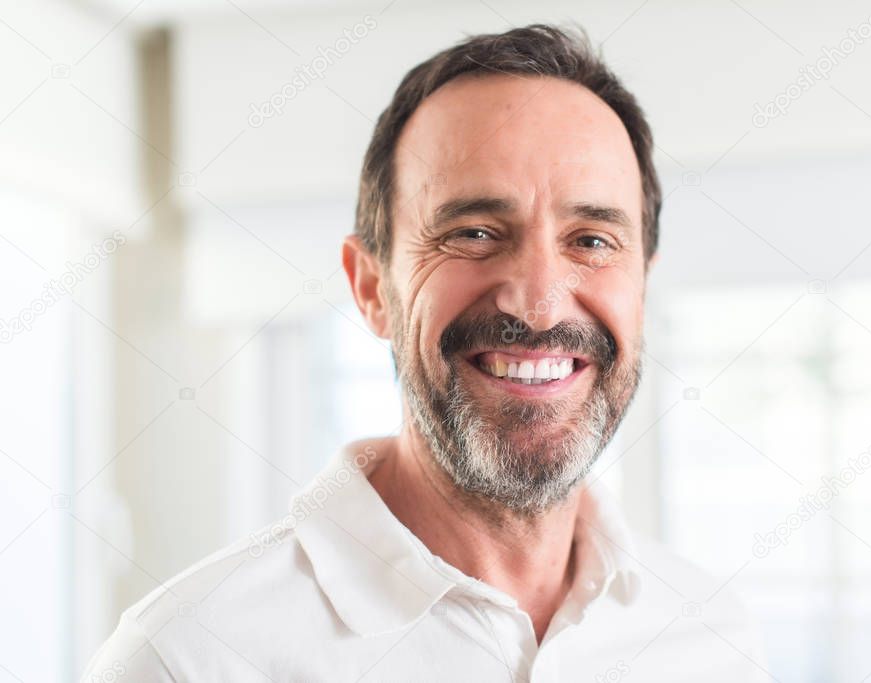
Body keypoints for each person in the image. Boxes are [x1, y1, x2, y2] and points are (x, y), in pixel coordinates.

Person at [83, 24, 765, 681]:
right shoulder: (186, 659)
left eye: (591, 240)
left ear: (642, 283)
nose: (538, 304)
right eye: (473, 232)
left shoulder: (711, 637)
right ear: (373, 287)